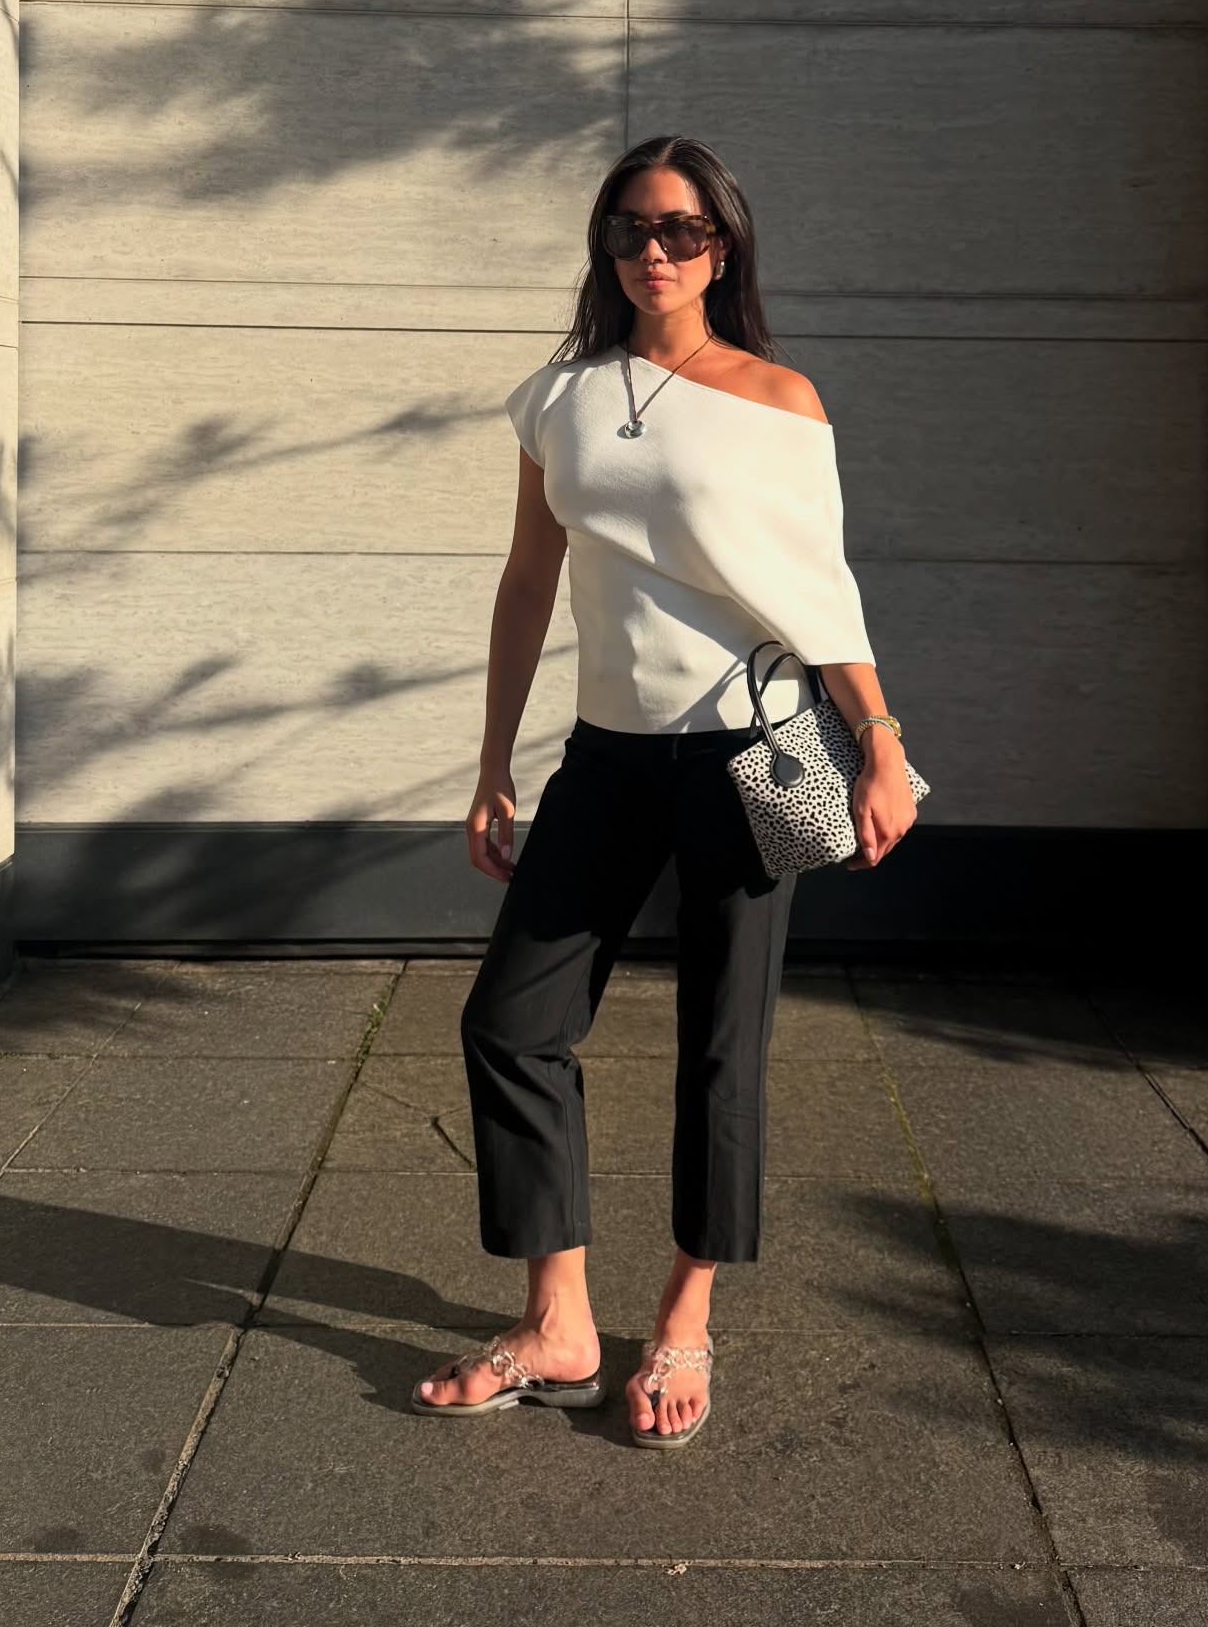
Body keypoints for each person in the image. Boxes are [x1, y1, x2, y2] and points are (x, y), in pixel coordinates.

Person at [411, 134, 917, 1447]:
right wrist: (489, 763)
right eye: (631, 228)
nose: (653, 251)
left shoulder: (777, 398)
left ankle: (686, 1316)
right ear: (606, 244)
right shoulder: (558, 398)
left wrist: (879, 738)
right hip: (607, 757)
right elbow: (528, 583)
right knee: (510, 1022)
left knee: (719, 1043)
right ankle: (560, 1323)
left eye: (681, 231)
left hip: (743, 755)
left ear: (723, 246)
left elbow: (818, 589)